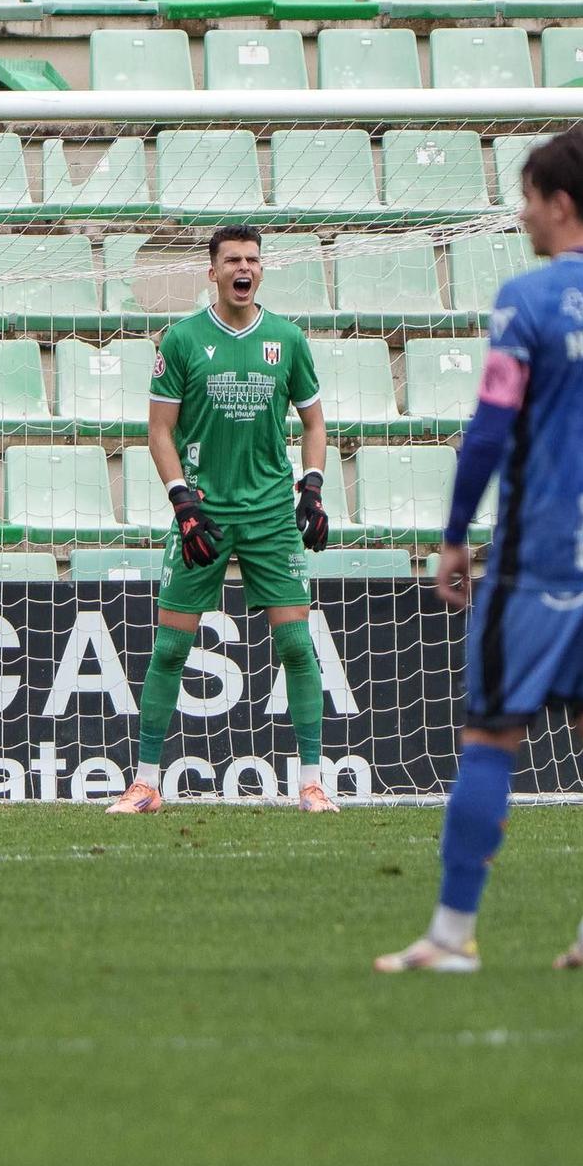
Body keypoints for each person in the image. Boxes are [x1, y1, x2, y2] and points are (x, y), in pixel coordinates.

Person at [376, 130, 583, 974]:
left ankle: (450, 934)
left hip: (542, 547)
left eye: (526, 197)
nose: (521, 214)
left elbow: (491, 426)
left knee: (492, 734)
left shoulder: (529, 300)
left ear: (559, 201)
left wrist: (452, 534)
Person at [109, 225, 335, 816]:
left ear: (261, 271)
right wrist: (181, 500)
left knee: (295, 643)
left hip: (268, 514)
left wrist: (311, 488)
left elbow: (314, 426)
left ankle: (311, 782)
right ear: (212, 271)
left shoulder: (286, 339)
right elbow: (159, 430)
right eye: (232, 260)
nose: (244, 268)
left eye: (253, 260)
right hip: (203, 513)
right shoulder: (182, 339)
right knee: (168, 650)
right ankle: (145, 783)